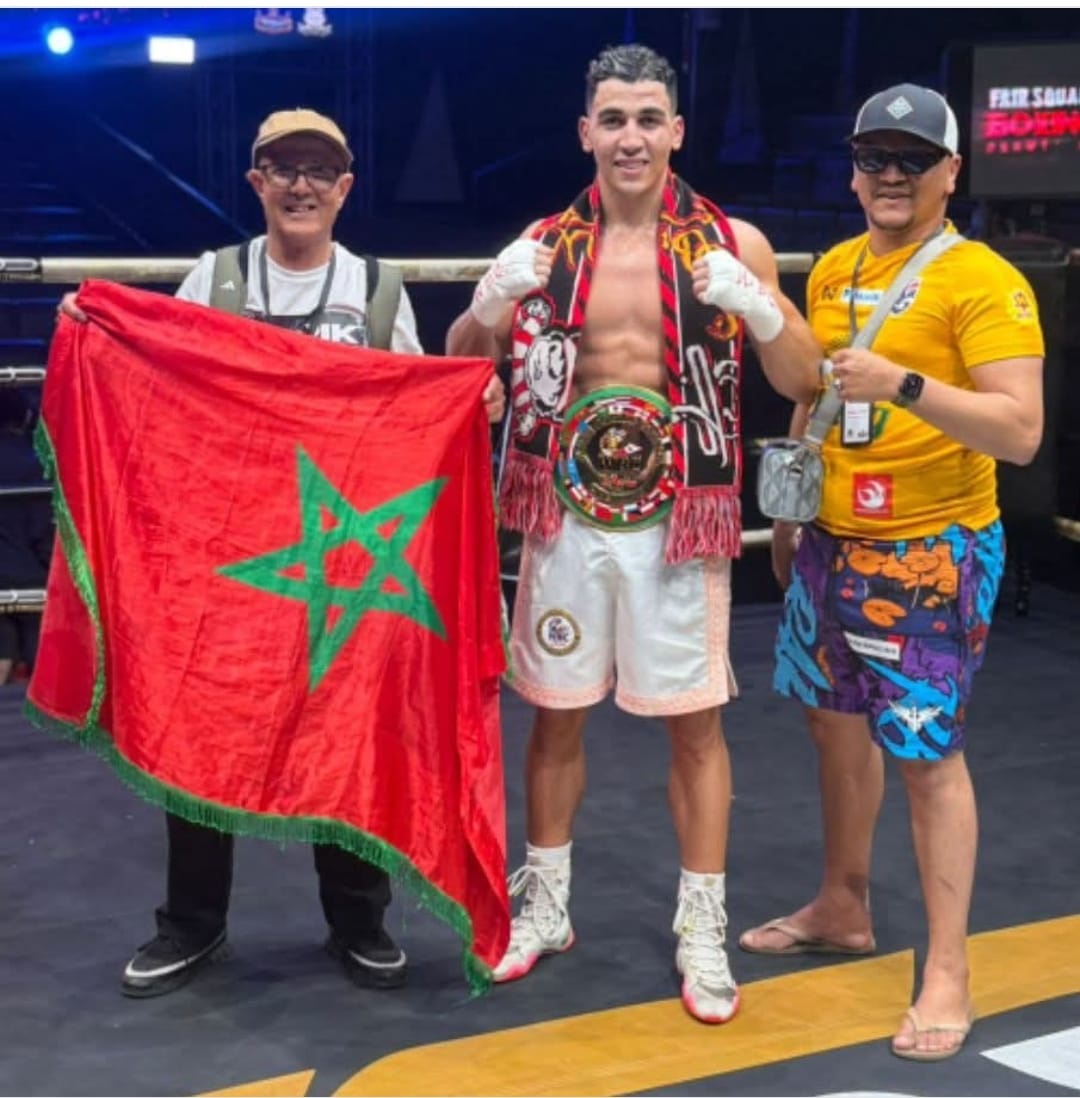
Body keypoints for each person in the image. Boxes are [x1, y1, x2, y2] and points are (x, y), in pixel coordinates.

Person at [59, 107, 506, 998]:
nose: (302, 185)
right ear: (256, 182)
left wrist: (467, 409)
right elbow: (160, 388)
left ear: (345, 188)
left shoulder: (378, 290)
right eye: (284, 169)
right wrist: (100, 331)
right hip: (228, 563)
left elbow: (413, 413)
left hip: (344, 559)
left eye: (318, 170)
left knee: (354, 732)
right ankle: (192, 923)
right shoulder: (214, 278)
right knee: (199, 724)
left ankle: (358, 921)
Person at [446, 44, 821, 1025]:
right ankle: (546, 905)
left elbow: (804, 379)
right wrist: (487, 303)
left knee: (695, 724)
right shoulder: (544, 246)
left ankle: (702, 924)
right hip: (565, 516)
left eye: (649, 118)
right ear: (586, 132)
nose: (630, 137)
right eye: (613, 119)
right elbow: (461, 363)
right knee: (554, 713)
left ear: (677, 131)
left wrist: (763, 309)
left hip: (679, 520)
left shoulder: (730, 242)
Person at [738, 84, 1044, 1060]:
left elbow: (1021, 431)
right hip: (830, 541)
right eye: (875, 156)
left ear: (953, 171)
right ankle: (844, 904)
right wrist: (791, 512)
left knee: (926, 757)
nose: (892, 175)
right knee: (832, 725)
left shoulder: (984, 280)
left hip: (928, 554)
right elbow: (815, 390)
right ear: (853, 169)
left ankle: (949, 971)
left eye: (913, 158)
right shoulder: (833, 268)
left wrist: (907, 384)